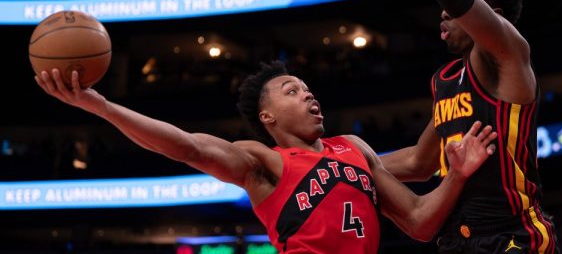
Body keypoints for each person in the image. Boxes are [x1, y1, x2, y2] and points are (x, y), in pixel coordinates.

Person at [333, 0, 559, 254]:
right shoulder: (446, 79)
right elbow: (420, 164)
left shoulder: (505, 54)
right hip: (457, 240)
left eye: (457, 5)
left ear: (489, 17)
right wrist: (344, 160)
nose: (442, 12)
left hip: (514, 238)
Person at [35, 61, 497, 253]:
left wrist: (454, 173)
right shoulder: (265, 161)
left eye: (308, 89)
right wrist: (101, 106)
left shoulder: (354, 149)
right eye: (291, 91)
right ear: (268, 117)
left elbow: (419, 216)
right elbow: (185, 145)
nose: (308, 95)